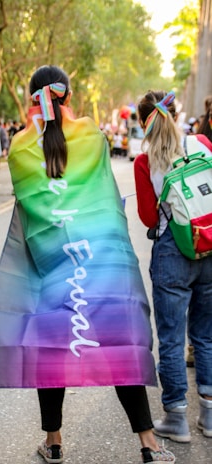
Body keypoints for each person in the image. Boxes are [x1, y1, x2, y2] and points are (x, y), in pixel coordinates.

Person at [0, 66, 175, 464]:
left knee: (52, 351)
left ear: (33, 98)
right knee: (119, 346)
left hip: (51, 266)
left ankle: (53, 443)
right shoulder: (93, 136)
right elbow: (101, 193)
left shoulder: (19, 146)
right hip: (100, 263)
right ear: (67, 96)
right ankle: (149, 444)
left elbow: (30, 204)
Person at [134, 90, 212, 444]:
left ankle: (176, 418)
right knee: (206, 335)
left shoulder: (145, 160)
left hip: (172, 255)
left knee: (170, 337)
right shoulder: (202, 143)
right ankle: (209, 417)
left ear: (141, 122)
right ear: (176, 113)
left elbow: (149, 217)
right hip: (209, 247)